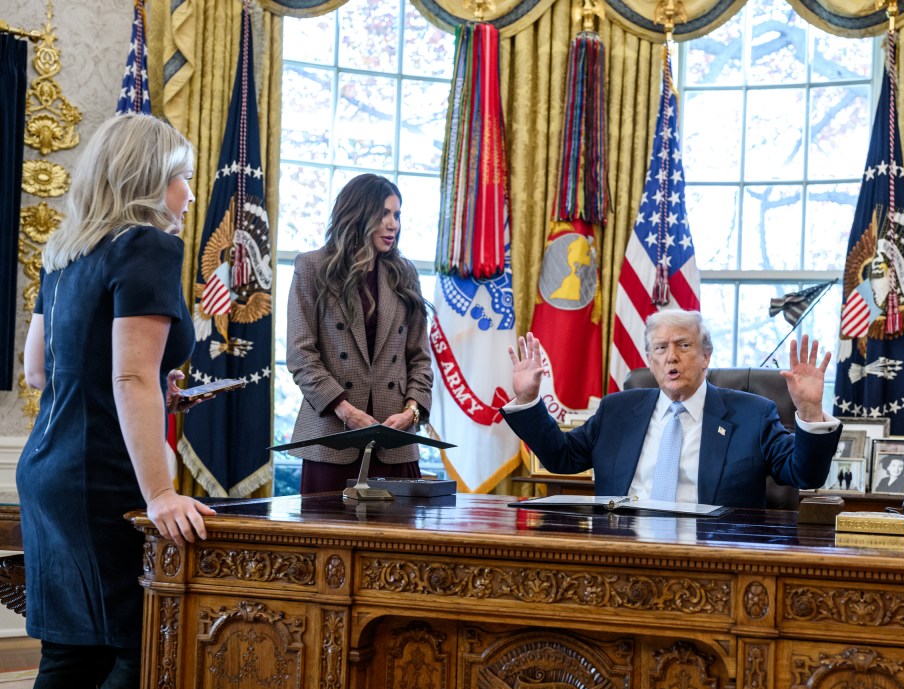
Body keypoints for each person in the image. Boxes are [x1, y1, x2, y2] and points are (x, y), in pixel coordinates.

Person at [15, 113, 214, 689]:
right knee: (143, 642)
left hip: (46, 468)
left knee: (70, 646)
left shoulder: (64, 250)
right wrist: (161, 495)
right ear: (151, 181)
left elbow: (40, 369)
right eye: (181, 174)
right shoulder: (148, 247)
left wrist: (162, 388)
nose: (188, 190)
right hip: (101, 476)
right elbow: (129, 378)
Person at [501, 309, 841, 507]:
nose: (671, 357)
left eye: (683, 345)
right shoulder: (618, 410)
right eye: (660, 348)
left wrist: (810, 411)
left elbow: (805, 474)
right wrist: (528, 400)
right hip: (622, 553)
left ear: (706, 355)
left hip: (715, 560)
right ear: (650, 361)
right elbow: (561, 457)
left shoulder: (753, 414)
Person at [286, 174, 434, 492]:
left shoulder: (404, 274)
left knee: (398, 541)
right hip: (331, 438)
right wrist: (345, 410)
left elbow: (420, 358)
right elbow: (301, 354)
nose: (393, 224)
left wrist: (410, 412)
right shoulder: (312, 267)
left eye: (397, 215)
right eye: (384, 214)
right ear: (358, 213)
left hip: (394, 441)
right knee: (327, 537)